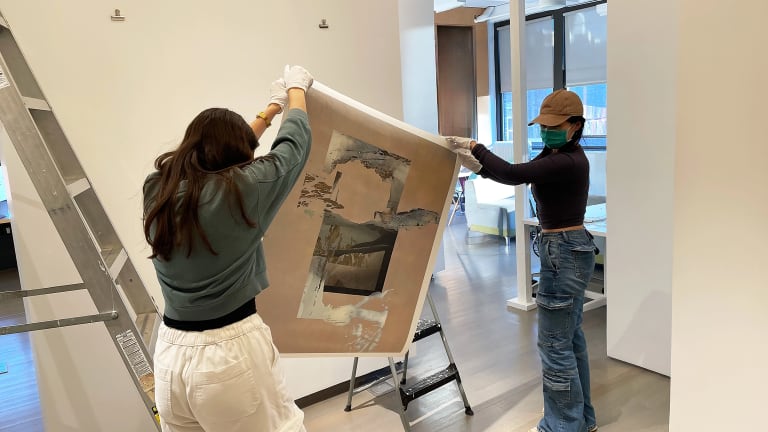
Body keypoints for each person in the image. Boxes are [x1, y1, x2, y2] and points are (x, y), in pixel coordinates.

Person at [142, 65, 314, 432]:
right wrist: (296, 92)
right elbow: (293, 148)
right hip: (228, 354)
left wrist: (269, 110)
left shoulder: (158, 187)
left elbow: (217, 160)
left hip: (170, 356)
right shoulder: (244, 190)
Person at [447, 89, 598, 432]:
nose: (546, 131)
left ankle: (561, 427)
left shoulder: (567, 161)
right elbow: (523, 173)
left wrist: (476, 148)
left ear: (576, 125)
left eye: (554, 125)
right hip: (569, 250)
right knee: (570, 340)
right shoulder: (562, 155)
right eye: (543, 125)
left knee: (554, 345)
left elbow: (516, 173)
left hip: (563, 251)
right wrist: (482, 169)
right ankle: (581, 421)